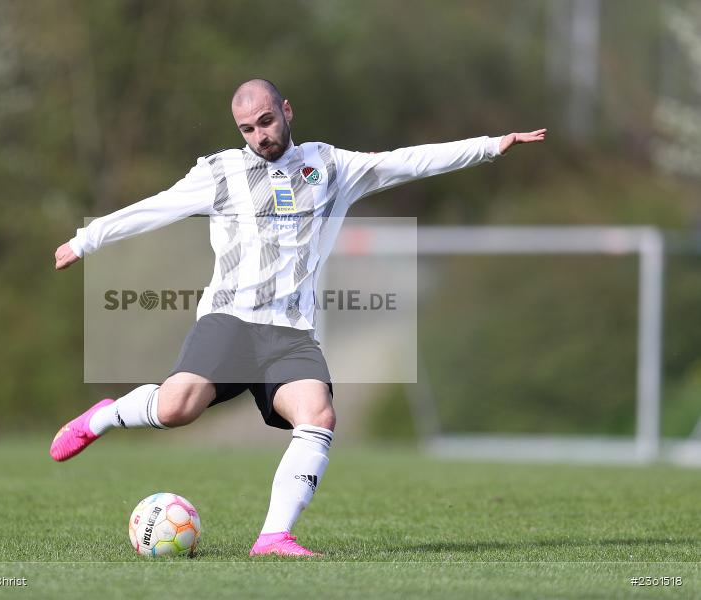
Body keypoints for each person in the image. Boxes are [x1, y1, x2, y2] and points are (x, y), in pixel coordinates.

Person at [50, 78, 545, 557]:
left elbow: (406, 162)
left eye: (266, 121)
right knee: (178, 409)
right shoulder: (220, 172)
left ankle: (273, 538)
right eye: (247, 128)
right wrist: (85, 239)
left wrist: (489, 145)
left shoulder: (330, 166)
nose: (259, 135)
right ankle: (105, 416)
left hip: (290, 332)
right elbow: (156, 208)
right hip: (229, 320)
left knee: (319, 416)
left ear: (286, 111)